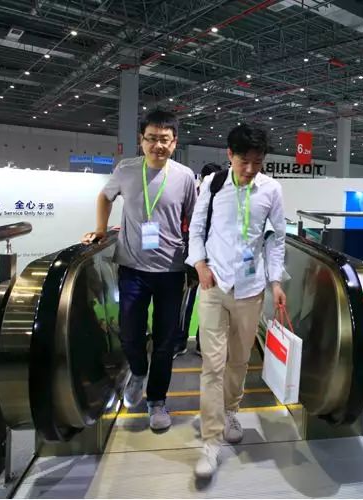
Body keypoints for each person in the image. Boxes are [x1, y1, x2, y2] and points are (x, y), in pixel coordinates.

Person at [81, 109, 197, 432]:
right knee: (130, 334)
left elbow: (193, 219)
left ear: (174, 142)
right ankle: (138, 371)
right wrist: (101, 229)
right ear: (141, 140)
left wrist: (195, 259)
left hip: (171, 271)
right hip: (132, 267)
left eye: (165, 139)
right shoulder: (126, 169)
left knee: (165, 341)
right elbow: (104, 197)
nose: (158, 145)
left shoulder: (185, 176)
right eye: (152, 138)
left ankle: (157, 400)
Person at [186, 125, 287, 479]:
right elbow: (196, 229)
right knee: (212, 365)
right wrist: (200, 265)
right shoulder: (213, 185)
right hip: (213, 285)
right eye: (244, 161)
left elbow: (276, 239)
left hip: (251, 289)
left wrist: (276, 281)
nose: (250, 169)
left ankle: (231, 409)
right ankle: (211, 442)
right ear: (230, 155)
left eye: (257, 162)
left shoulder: (271, 189)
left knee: (239, 361)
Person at [174, 162, 224, 359]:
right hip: (191, 258)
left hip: (213, 259)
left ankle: (201, 344)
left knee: (210, 304)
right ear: (202, 179)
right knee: (186, 301)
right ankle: (180, 342)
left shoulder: (221, 197)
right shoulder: (192, 196)